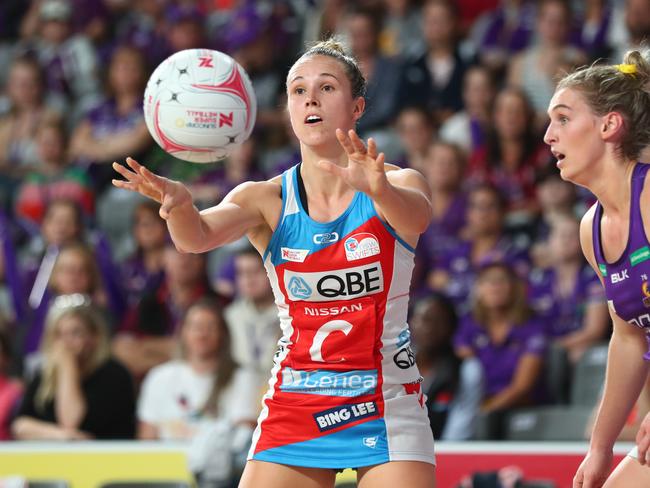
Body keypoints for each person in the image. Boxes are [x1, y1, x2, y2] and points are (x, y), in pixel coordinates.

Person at [113, 39, 436, 488]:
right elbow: (196, 238)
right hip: (297, 397)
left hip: (386, 398)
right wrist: (179, 205)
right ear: (288, 109)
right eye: (298, 91)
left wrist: (378, 189)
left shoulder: (395, 182)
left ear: (357, 106)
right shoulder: (263, 197)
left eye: (327, 88)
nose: (311, 99)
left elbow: (417, 217)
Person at [543, 49, 650, 486]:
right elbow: (628, 337)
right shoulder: (592, 228)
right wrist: (601, 446)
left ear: (609, 125)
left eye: (564, 119)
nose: (549, 136)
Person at [12, 294, 136, 440]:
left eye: (75, 333)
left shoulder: (113, 374)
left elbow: (70, 421)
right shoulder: (45, 373)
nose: (66, 342)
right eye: (59, 334)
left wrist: (67, 368)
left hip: (106, 459)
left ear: (94, 337)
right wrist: (60, 435)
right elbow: (20, 425)